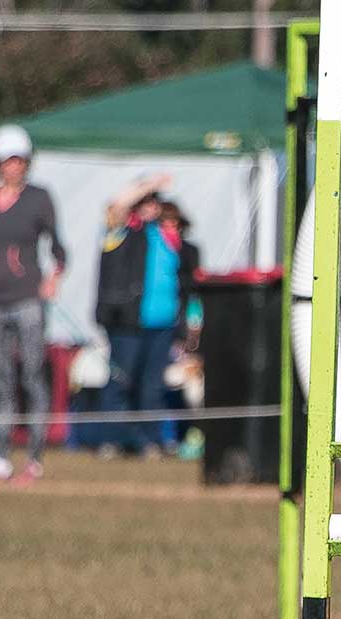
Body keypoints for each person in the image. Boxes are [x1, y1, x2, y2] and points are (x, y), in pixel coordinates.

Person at [0, 125, 64, 484]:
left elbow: (58, 247)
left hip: (27, 301)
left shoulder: (39, 198)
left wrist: (54, 278)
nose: (14, 166)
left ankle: (35, 459)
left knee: (33, 376)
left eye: (19, 160)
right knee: (1, 381)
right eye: (8, 160)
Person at [92, 177, 199, 458]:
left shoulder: (168, 237)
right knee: (121, 381)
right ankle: (113, 440)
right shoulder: (122, 232)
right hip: (127, 323)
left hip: (163, 326)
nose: (152, 205)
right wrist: (148, 183)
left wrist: (188, 323)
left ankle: (149, 442)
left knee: (152, 386)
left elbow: (186, 282)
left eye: (155, 201)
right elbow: (116, 207)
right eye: (146, 201)